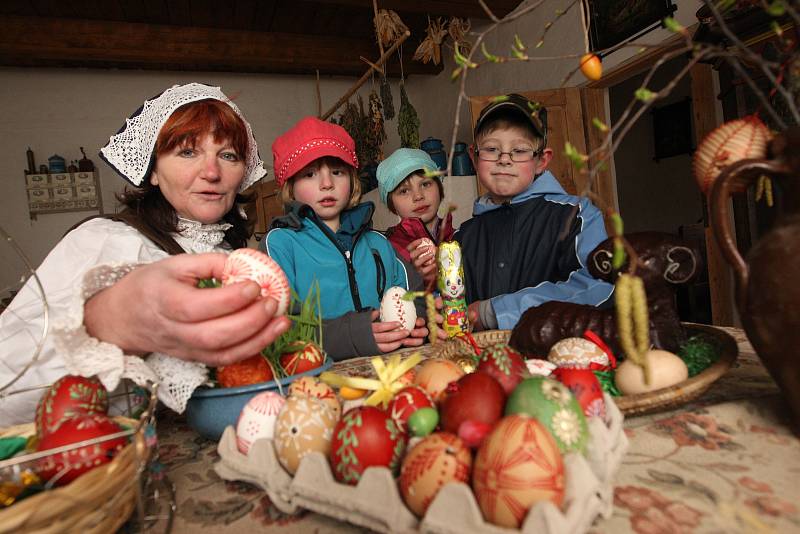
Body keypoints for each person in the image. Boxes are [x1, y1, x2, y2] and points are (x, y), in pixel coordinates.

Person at [0, 83, 290, 425]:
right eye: (187, 152)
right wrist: (104, 323)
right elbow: (6, 386)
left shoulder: (231, 254)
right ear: (152, 170)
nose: (212, 172)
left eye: (228, 155)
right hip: (104, 466)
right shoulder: (104, 241)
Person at [261, 117, 428, 358]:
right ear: (290, 186)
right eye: (310, 174)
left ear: (352, 180)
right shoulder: (279, 245)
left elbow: (415, 296)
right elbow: (277, 328)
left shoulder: (378, 243)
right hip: (318, 382)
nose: (327, 184)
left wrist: (418, 322)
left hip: (390, 373)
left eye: (337, 172)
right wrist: (353, 336)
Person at [455, 93, 614, 331]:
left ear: (541, 160)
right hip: (482, 362)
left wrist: (494, 311)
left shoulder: (577, 216)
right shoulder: (462, 236)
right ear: (474, 157)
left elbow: (598, 284)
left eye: (519, 150)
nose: (504, 160)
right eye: (491, 149)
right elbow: (453, 304)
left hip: (557, 361)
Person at [377, 148, 455, 287]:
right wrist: (414, 277)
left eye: (425, 184)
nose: (418, 196)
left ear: (439, 187)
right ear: (392, 203)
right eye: (404, 191)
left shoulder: (462, 237)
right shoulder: (388, 253)